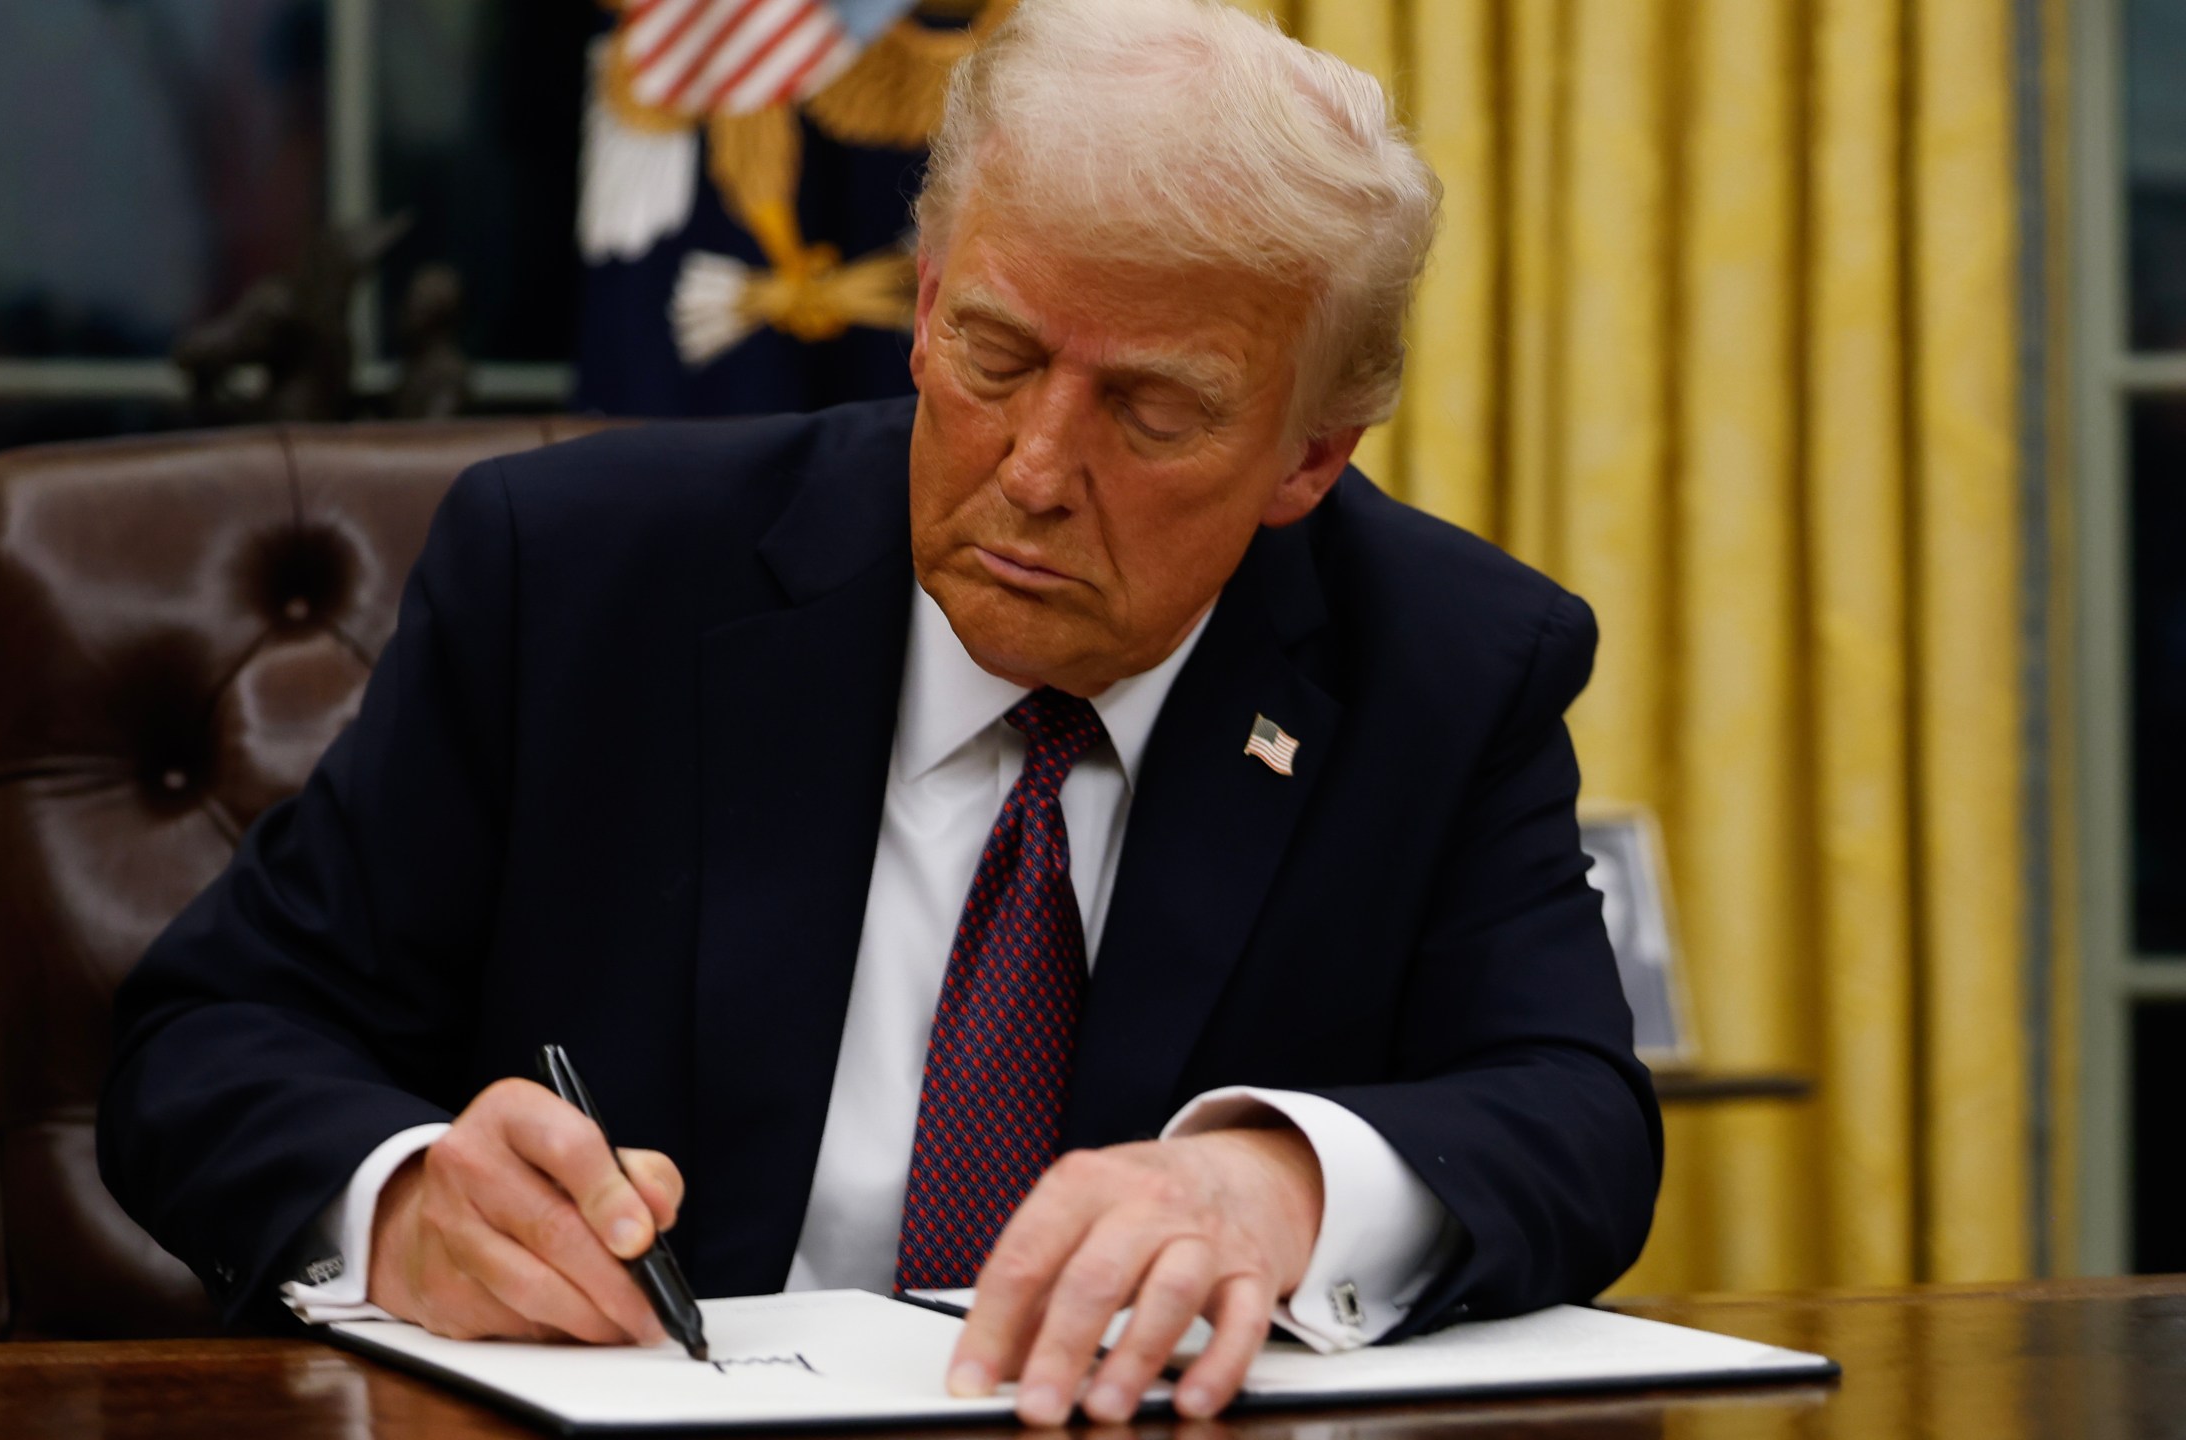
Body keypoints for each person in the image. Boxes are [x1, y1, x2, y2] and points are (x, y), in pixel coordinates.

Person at [97, 0, 1662, 1425]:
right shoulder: (577, 582)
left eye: (1153, 409)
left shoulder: (1446, 665)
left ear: (1311, 459)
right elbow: (208, 1040)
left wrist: (1276, 1190)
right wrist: (410, 1200)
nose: (1037, 470)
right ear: (920, 310)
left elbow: (1575, 1115)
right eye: (994, 353)